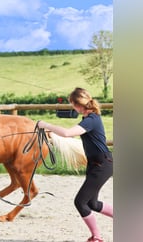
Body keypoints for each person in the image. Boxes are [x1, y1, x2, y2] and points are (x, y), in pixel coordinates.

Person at [38, 87, 113, 242]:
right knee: (92, 203)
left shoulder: (91, 119)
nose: (73, 107)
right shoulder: (89, 118)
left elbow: (67, 133)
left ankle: (97, 238)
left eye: (72, 104)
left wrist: (46, 125)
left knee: (80, 202)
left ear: (78, 104)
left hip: (102, 164)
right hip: (96, 164)